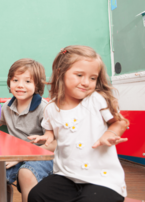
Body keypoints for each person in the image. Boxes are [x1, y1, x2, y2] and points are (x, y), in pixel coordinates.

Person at [28, 45, 128, 202]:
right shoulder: (51, 108)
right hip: (67, 176)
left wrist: (110, 134)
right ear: (61, 72)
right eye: (79, 75)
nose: (86, 82)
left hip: (102, 178)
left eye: (92, 78)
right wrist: (47, 136)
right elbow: (51, 130)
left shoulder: (96, 100)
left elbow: (119, 123)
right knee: (36, 195)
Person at [0, 58, 56, 202]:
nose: (20, 85)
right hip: (15, 156)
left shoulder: (44, 108)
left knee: (26, 173)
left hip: (41, 156)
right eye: (15, 80)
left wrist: (22, 156)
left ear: (37, 85)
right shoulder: (7, 107)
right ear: (9, 82)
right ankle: (4, 195)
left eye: (27, 81)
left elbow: (53, 143)